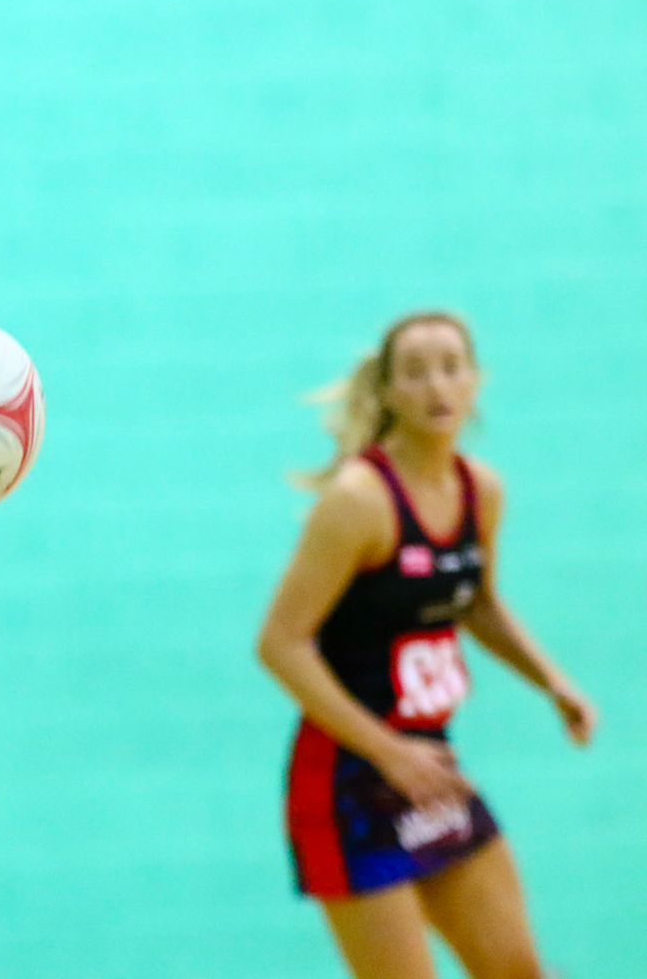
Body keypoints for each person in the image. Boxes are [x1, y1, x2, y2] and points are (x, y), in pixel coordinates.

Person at [255, 311, 598, 979]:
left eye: (451, 367)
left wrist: (552, 683)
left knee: (520, 971)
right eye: (414, 372)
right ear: (387, 392)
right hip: (350, 779)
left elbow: (477, 600)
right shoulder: (360, 500)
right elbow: (280, 644)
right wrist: (388, 752)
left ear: (475, 382)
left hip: (429, 770)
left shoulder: (481, 491)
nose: (436, 386)